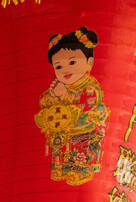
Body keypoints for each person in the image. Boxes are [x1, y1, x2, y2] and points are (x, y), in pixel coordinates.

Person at [35, 28, 108, 184]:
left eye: (72, 62)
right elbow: (46, 102)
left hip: (83, 131)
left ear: (90, 63)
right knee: (61, 154)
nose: (65, 69)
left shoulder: (89, 87)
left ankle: (81, 173)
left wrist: (66, 96)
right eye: (59, 66)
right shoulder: (59, 85)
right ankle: (61, 170)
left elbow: (87, 109)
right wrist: (52, 97)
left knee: (79, 156)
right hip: (63, 133)